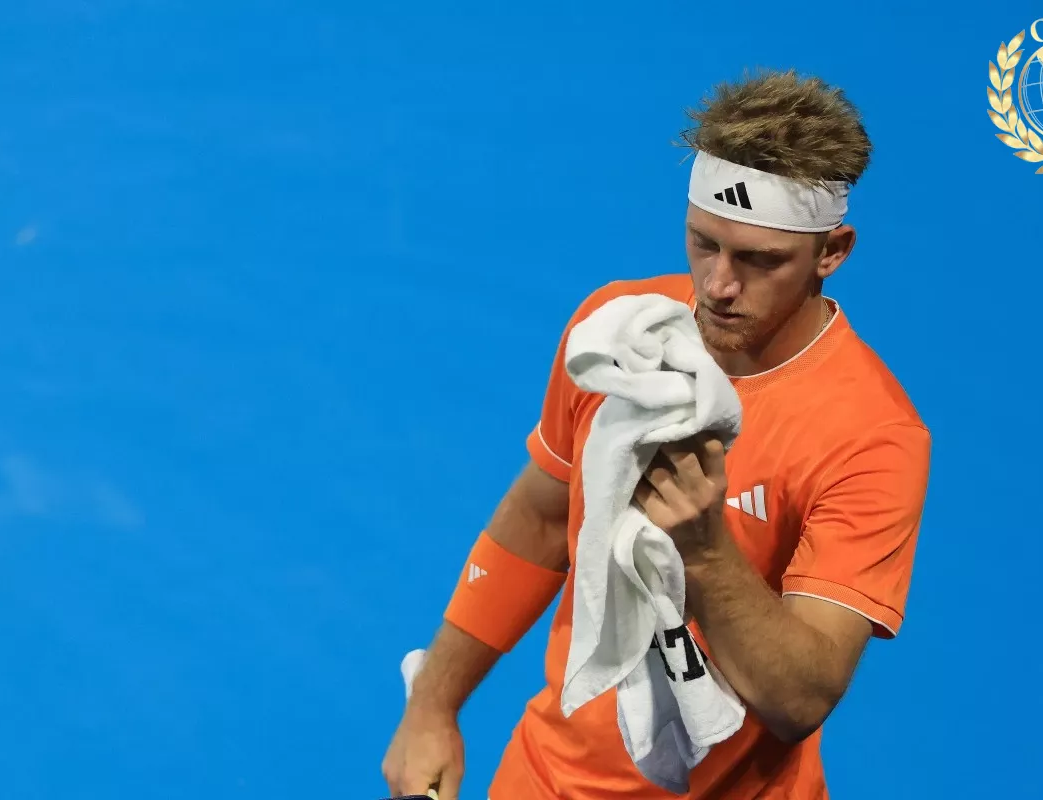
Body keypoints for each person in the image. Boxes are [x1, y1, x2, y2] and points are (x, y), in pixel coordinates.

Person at [382, 68, 932, 800]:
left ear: (832, 252)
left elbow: (800, 699)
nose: (719, 285)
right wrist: (433, 703)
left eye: (760, 259)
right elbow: (539, 521)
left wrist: (704, 549)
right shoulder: (618, 335)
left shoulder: (873, 436)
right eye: (704, 243)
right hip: (544, 779)